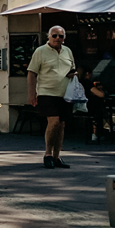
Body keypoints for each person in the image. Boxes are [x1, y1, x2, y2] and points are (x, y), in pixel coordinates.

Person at [28, 25, 76, 169]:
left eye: (60, 36)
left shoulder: (67, 51)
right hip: (46, 92)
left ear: (64, 38)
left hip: (65, 93)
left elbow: (73, 68)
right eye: (54, 35)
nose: (57, 38)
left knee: (61, 125)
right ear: (48, 37)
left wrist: (73, 74)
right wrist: (32, 94)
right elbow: (31, 73)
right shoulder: (40, 51)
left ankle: (57, 156)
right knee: (53, 121)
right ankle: (48, 154)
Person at [81, 68, 108, 143]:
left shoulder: (78, 83)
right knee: (99, 109)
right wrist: (100, 89)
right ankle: (96, 133)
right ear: (87, 74)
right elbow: (101, 95)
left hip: (79, 106)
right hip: (89, 107)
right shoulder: (87, 83)